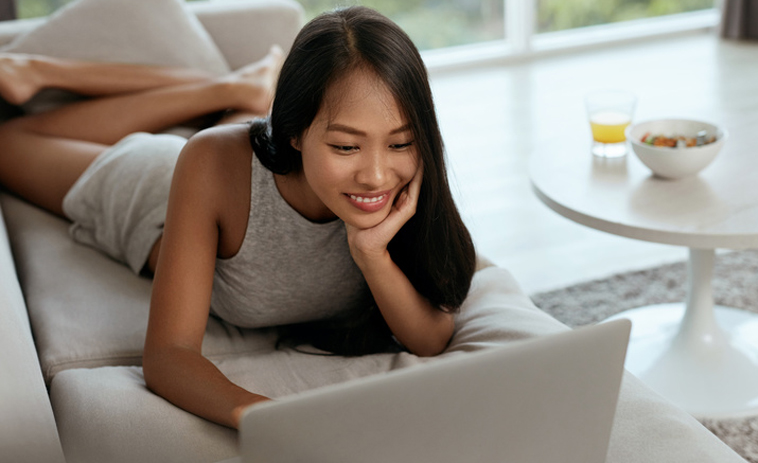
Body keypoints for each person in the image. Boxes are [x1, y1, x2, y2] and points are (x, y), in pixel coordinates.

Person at [0, 6, 476, 430]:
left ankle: (238, 91)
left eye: (399, 142)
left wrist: (371, 254)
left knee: (236, 134)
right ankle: (45, 72)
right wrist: (268, 419)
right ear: (294, 134)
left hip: (241, 155)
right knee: (9, 139)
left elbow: (431, 339)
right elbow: (168, 357)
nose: (375, 176)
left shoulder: (400, 179)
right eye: (346, 146)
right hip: (154, 183)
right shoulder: (212, 160)